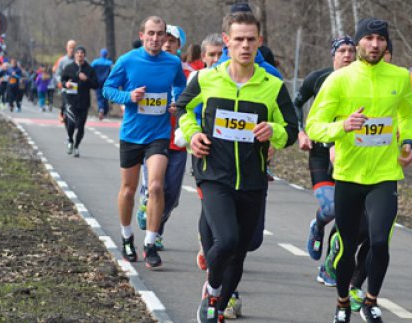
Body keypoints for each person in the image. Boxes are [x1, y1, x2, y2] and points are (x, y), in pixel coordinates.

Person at [177, 12, 298, 322]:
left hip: (253, 179)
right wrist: (193, 135)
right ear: (227, 40)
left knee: (241, 251)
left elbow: (292, 129)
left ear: (259, 42)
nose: (245, 45)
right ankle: (213, 290)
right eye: (238, 39)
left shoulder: (272, 85)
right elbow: (182, 109)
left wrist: (274, 131)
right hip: (214, 174)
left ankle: (217, 304)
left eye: (250, 39)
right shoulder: (206, 78)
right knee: (226, 240)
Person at [305, 18, 412, 323]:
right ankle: (342, 302)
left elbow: (408, 112)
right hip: (348, 176)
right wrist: (343, 126)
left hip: (385, 174)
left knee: (380, 241)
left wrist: (407, 140)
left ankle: (370, 301)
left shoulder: (400, 77)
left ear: (386, 44)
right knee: (348, 245)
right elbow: (314, 125)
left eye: (380, 39)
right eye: (368, 38)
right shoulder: (339, 80)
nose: (375, 44)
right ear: (357, 44)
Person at [103, 16, 186, 269]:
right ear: (142, 35)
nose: (155, 38)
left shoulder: (173, 63)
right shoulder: (127, 61)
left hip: (159, 134)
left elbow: (181, 87)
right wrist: (128, 96)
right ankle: (127, 236)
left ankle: (150, 243)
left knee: (157, 186)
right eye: (151, 33)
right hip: (131, 134)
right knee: (128, 190)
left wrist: (176, 102)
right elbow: (108, 88)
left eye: (160, 34)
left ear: (165, 37)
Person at [293, 36, 356, 287]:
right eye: (342, 50)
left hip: (350, 155)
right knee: (331, 209)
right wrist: (301, 132)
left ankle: (329, 266)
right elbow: (296, 103)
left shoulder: (362, 82)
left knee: (347, 216)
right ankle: (318, 224)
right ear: (333, 55)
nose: (348, 55)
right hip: (320, 152)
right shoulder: (319, 78)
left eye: (352, 50)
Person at [134, 24, 187, 251]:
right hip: (154, 138)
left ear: (178, 46)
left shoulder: (187, 73)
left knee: (171, 195)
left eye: (172, 41)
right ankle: (153, 231)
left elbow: (195, 101)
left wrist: (182, 105)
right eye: (163, 39)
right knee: (156, 188)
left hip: (178, 141)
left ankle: (157, 228)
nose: (166, 43)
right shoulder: (147, 65)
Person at [60, 46, 99, 157]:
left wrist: (86, 79)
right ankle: (70, 140)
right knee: (71, 123)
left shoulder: (89, 69)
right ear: (75, 55)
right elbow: (62, 80)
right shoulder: (69, 67)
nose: (79, 55)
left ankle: (76, 146)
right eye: (77, 53)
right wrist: (65, 84)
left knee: (81, 127)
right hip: (71, 100)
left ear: (84, 55)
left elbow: (96, 84)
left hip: (83, 101)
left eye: (82, 53)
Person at [91, 48, 113, 120]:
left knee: (99, 96)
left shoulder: (95, 62)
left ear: (100, 54)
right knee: (105, 96)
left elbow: (90, 70)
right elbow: (113, 71)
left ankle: (101, 109)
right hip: (106, 82)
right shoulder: (109, 63)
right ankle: (104, 111)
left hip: (97, 82)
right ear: (106, 55)